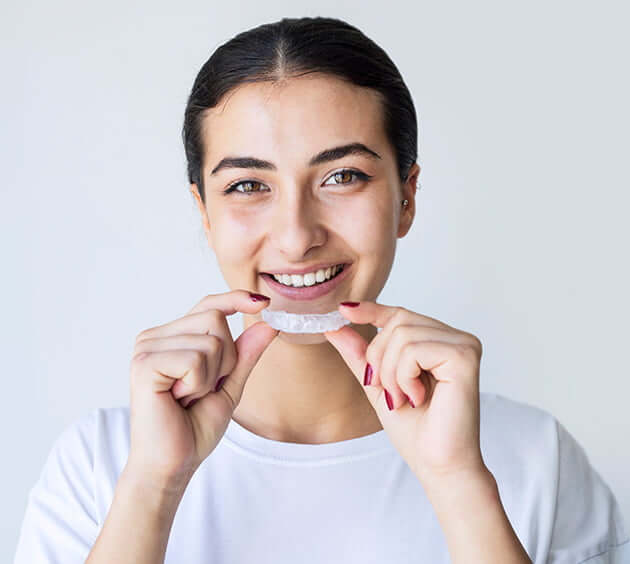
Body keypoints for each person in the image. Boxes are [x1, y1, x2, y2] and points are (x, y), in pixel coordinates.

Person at [14, 16, 629, 564]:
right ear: (204, 212)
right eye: (248, 186)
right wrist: (152, 487)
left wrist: (457, 481)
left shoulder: (533, 459)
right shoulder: (102, 465)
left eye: (342, 176)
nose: (296, 237)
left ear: (407, 197)